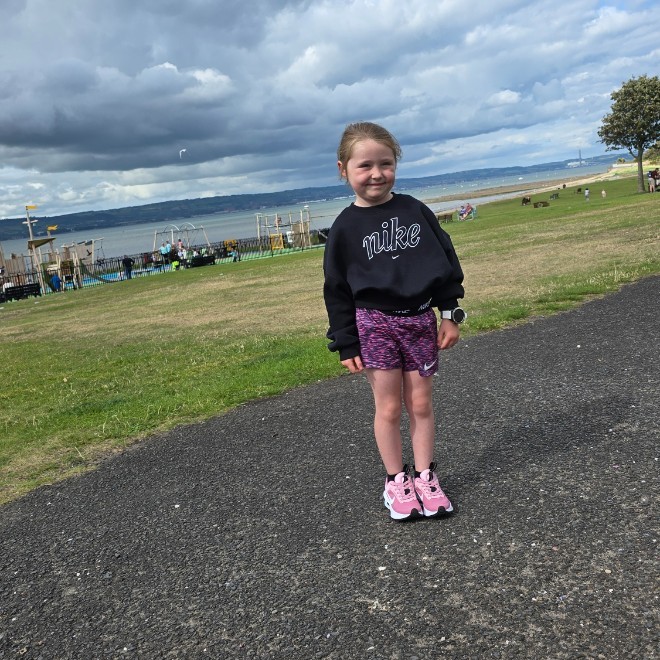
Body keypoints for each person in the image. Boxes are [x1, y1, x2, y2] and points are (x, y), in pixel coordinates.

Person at [323, 121, 465, 521]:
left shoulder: (414, 210)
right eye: (365, 165)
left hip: (419, 321)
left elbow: (445, 263)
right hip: (374, 325)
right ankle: (396, 482)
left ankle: (425, 477)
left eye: (385, 163)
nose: (376, 174)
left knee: (420, 402)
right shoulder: (344, 227)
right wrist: (346, 341)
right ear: (343, 170)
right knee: (387, 408)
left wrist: (450, 313)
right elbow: (336, 290)